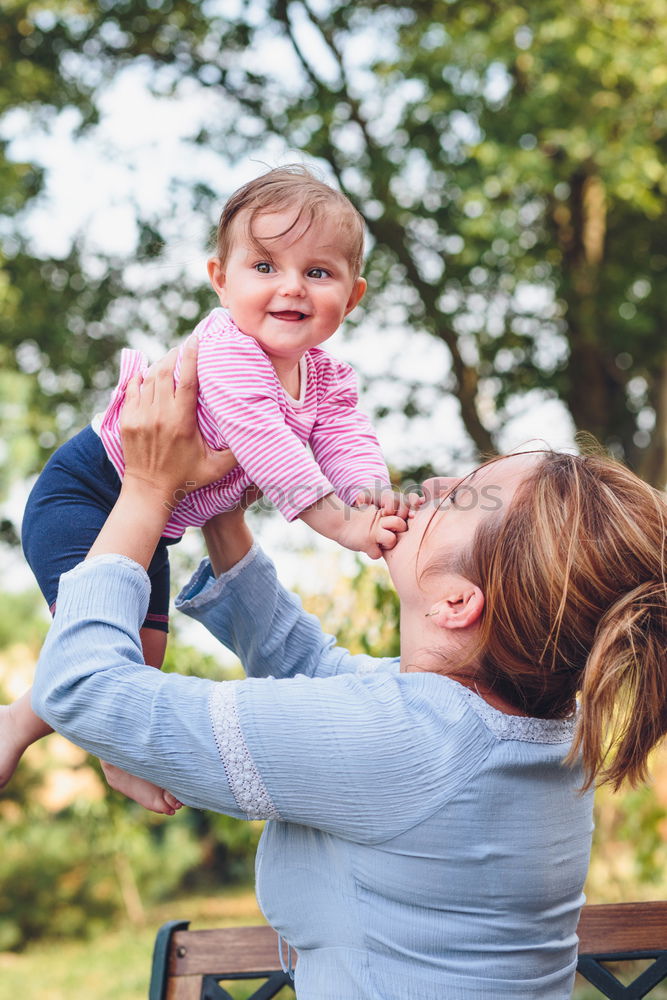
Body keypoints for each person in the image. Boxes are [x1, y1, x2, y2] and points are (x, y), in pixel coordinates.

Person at [31, 343, 667, 999]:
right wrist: (223, 503)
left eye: (464, 499)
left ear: (455, 601)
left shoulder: (409, 744)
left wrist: (145, 488)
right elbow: (315, 670)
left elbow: (80, 689)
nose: (439, 485)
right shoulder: (523, 725)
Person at [8, 165, 417, 812]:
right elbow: (270, 449)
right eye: (264, 266)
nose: (291, 287)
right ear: (220, 280)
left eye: (317, 272)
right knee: (100, 639)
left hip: (157, 519)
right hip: (86, 496)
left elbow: (344, 437)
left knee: (145, 654)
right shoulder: (226, 349)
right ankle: (29, 733)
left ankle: (102, 751)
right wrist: (341, 525)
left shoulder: (325, 376)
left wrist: (367, 493)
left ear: (353, 294)